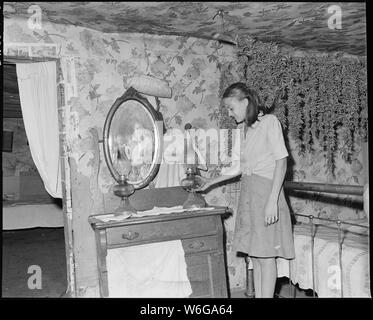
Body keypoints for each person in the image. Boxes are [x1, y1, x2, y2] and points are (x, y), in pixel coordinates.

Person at [197, 83, 295, 298]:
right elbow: (240, 167)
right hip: (250, 193)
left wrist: (272, 202)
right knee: (257, 257)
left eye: (232, 108)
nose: (230, 114)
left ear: (246, 102)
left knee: (267, 258)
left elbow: (282, 163)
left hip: (267, 194)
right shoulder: (245, 129)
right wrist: (211, 181)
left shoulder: (270, 122)